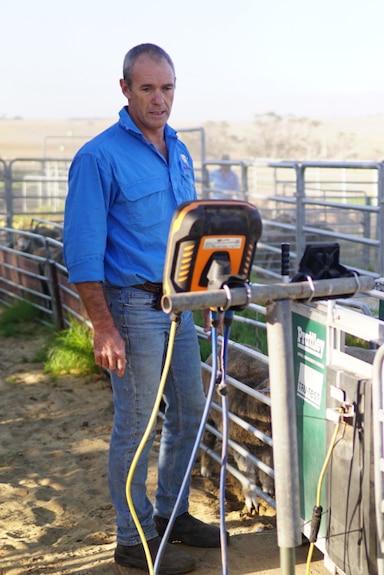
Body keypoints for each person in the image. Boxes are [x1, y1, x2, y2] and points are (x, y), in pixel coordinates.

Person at [63, 43, 225, 574]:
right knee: (136, 425)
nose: (160, 99)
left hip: (179, 303)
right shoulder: (98, 156)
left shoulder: (178, 150)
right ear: (125, 89)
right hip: (130, 307)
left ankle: (171, 514)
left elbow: (188, 233)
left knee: (189, 410)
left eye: (168, 88)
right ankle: (132, 540)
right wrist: (102, 326)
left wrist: (200, 293)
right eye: (148, 88)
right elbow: (83, 252)